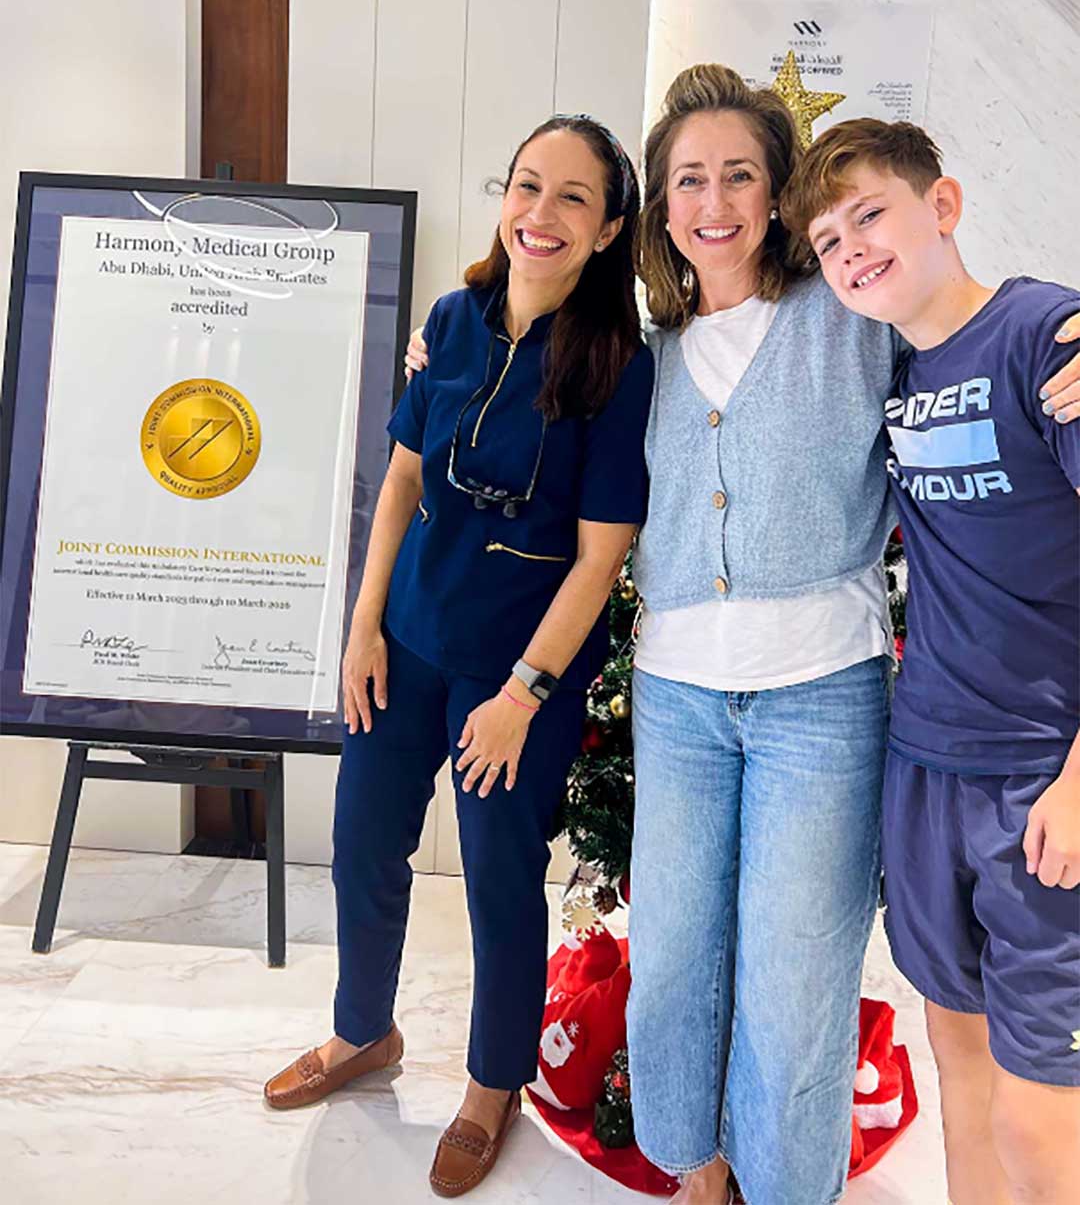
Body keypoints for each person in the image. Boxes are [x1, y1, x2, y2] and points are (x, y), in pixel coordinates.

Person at [404, 69, 1080, 1205]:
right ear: (661, 208)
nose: (712, 200)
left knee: (795, 978)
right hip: (676, 702)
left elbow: (966, 325)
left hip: (825, 699)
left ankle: (783, 1187)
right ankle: (697, 1169)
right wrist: (430, 356)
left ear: (774, 196)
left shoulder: (852, 319)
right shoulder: (639, 352)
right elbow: (521, 374)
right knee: (671, 960)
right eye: (687, 180)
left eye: (739, 175)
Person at [264, 114, 654, 1200]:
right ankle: (360, 1035)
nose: (542, 213)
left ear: (610, 226)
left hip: (515, 679)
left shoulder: (621, 369)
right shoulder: (451, 320)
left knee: (496, 884)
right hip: (406, 648)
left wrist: (525, 697)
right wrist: (360, 627)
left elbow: (598, 560)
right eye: (527, 186)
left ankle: (493, 1087)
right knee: (360, 846)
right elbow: (397, 483)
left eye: (574, 197)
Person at [783, 118, 1080, 1205]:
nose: (850, 249)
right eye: (826, 239)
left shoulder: (1042, 334)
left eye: (869, 214)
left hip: (1041, 783)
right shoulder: (893, 376)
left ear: (942, 207)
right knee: (958, 1065)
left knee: (1043, 1107)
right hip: (924, 771)